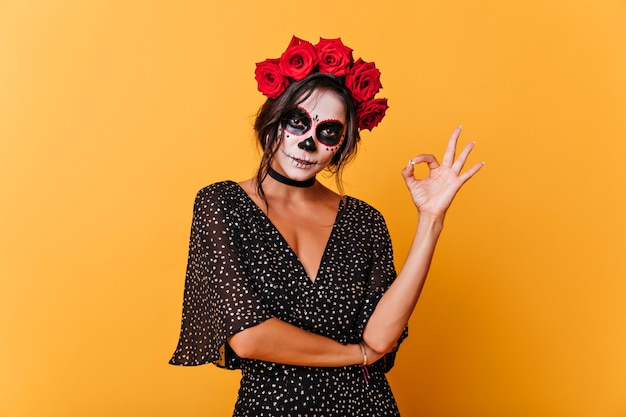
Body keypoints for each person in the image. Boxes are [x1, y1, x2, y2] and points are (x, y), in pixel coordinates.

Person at [169, 36, 483, 416]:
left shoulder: (364, 221)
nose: (307, 143)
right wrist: (356, 356)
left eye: (327, 132)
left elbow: (381, 337)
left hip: (365, 406)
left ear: (342, 144)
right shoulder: (222, 204)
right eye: (297, 122)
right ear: (273, 120)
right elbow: (249, 338)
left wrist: (431, 220)